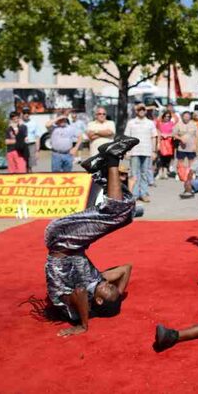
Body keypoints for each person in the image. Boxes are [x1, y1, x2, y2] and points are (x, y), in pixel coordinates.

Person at [43, 137, 138, 336]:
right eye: (113, 287)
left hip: (62, 240)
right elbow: (125, 269)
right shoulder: (96, 282)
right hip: (72, 240)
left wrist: (83, 325)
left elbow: (79, 292)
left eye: (108, 289)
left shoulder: (75, 306)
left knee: (117, 213)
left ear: (99, 300)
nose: (109, 285)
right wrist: (118, 293)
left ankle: (111, 159)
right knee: (127, 215)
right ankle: (98, 168)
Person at [124, 103, 158, 202]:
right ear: (136, 111)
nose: (141, 111)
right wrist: (126, 151)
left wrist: (154, 151)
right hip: (134, 151)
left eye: (143, 109)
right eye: (139, 109)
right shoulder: (131, 122)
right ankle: (134, 194)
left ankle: (143, 193)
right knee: (134, 174)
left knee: (144, 173)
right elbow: (127, 138)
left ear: (146, 111)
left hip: (147, 151)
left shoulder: (150, 123)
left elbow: (154, 137)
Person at [174, 111, 198, 180]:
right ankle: (178, 174)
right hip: (181, 147)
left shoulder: (193, 124)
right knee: (180, 161)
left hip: (191, 147)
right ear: (182, 117)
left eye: (188, 117)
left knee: (191, 161)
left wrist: (196, 146)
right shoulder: (178, 124)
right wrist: (180, 138)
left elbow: (197, 136)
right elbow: (174, 134)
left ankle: (191, 174)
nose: (186, 118)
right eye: (185, 117)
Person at [155, 110, 175, 180]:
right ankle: (160, 172)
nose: (167, 118)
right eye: (166, 116)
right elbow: (157, 132)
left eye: (169, 116)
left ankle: (165, 172)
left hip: (169, 143)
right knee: (160, 158)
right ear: (163, 117)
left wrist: (168, 135)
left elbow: (174, 133)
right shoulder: (159, 123)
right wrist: (161, 135)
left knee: (168, 158)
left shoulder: (172, 124)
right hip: (161, 142)